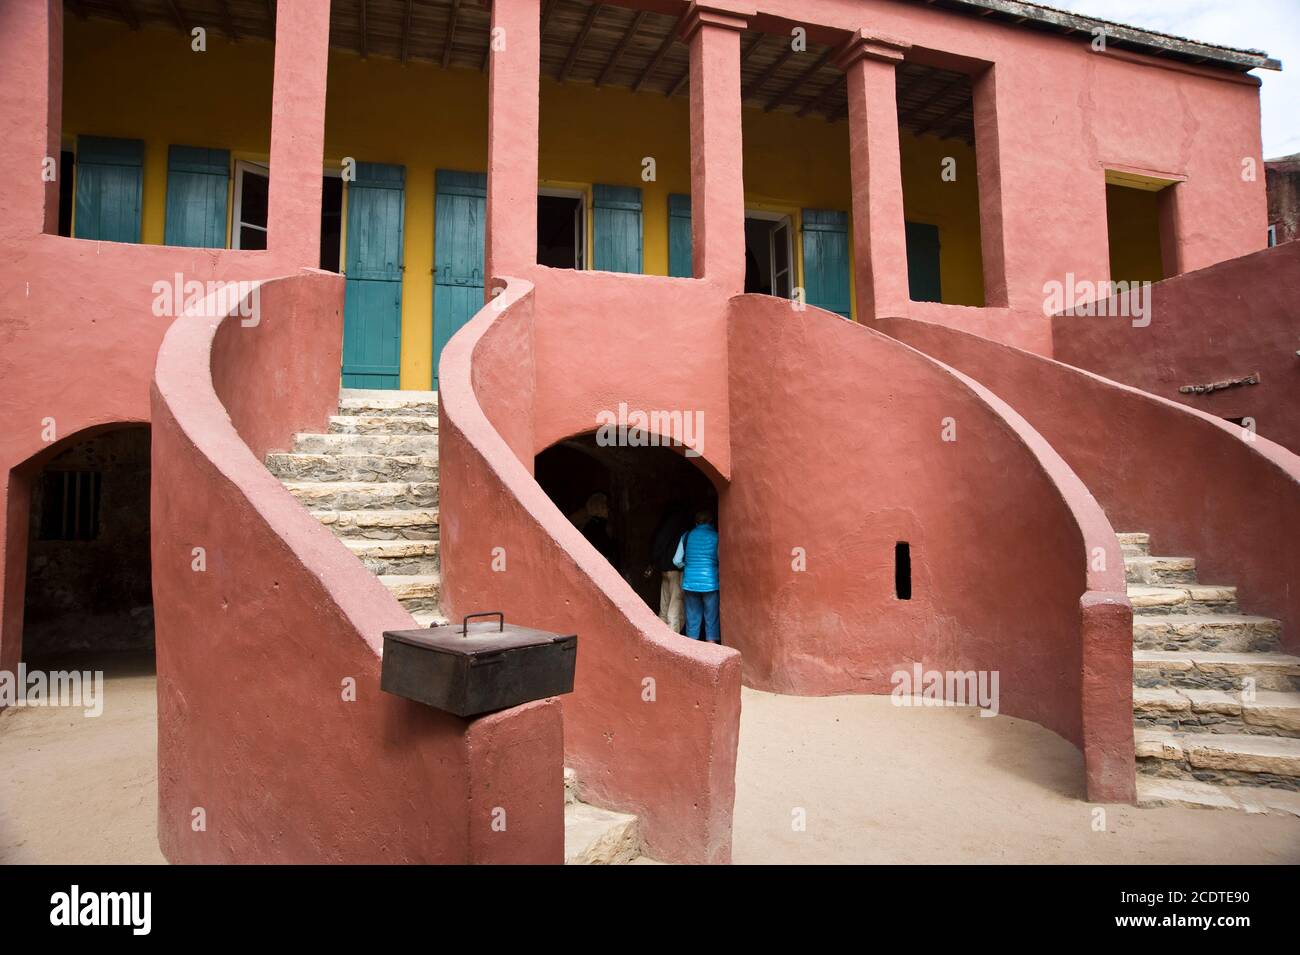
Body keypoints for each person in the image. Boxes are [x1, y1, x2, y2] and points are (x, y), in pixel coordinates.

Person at [673, 509, 720, 643]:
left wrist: (688, 565)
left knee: (692, 619)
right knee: (712, 619)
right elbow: (720, 559)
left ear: (696, 522)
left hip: (690, 583)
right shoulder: (716, 536)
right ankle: (712, 649)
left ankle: (693, 650)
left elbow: (676, 561)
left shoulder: (686, 536)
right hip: (710, 583)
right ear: (711, 521)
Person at [645, 502, 693, 633]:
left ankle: (662, 637)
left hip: (664, 568)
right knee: (675, 607)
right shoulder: (682, 522)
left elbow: (659, 542)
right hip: (676, 570)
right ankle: (673, 639)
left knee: (664, 607)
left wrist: (654, 561)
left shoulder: (666, 521)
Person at [570, 492, 619, 567]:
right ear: (597, 508)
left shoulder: (595, 525)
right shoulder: (594, 526)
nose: (607, 510)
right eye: (604, 506)